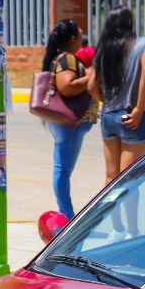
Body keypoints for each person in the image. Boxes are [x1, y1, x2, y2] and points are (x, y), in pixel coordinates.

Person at [88, 5, 145, 238]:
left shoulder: (104, 48)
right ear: (130, 22)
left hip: (108, 116)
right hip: (131, 117)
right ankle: (132, 231)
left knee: (111, 176)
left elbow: (91, 85)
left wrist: (105, 102)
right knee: (129, 179)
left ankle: (115, 229)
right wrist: (138, 108)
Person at [41, 19, 98, 220]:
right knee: (63, 171)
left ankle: (66, 213)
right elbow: (67, 86)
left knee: (62, 169)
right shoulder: (68, 59)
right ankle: (67, 216)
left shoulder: (59, 57)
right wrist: (91, 75)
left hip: (63, 123)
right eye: (80, 34)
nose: (82, 38)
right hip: (69, 123)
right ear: (73, 39)